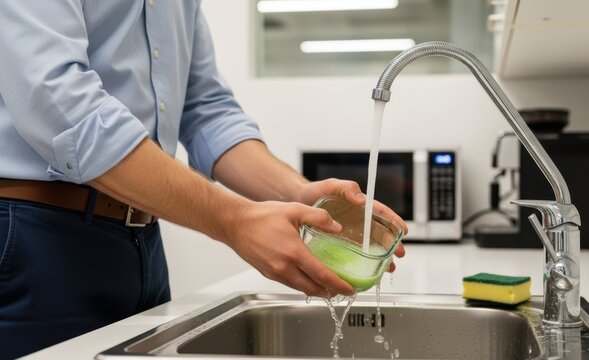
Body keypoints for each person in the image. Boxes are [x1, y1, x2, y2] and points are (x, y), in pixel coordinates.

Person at [0, 1, 406, 358]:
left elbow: (206, 109)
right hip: (36, 239)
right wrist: (233, 220)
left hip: (142, 244)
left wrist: (299, 194)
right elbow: (57, 102)